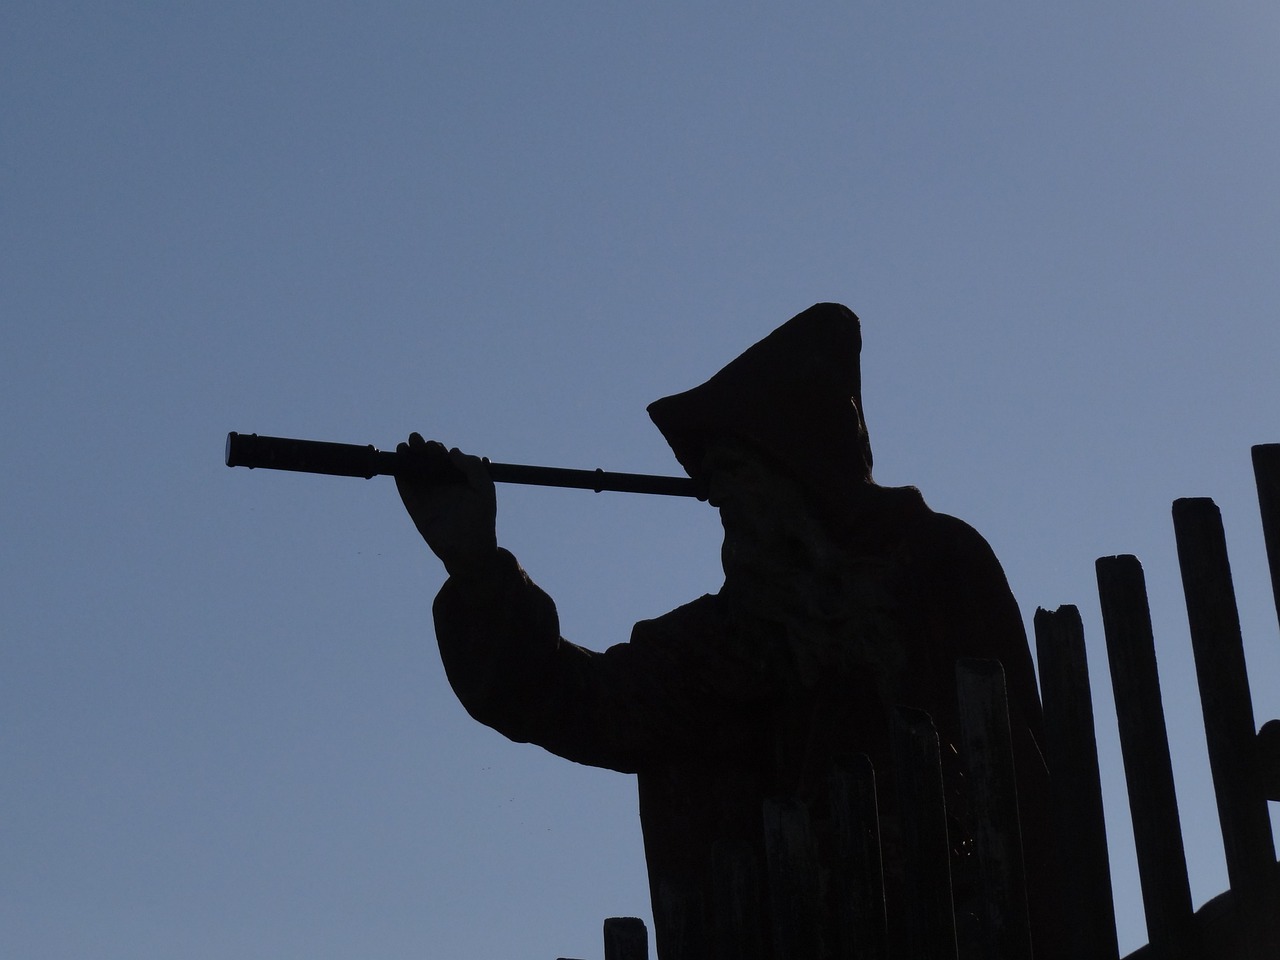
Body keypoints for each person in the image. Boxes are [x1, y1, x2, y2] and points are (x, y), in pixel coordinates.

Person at [396, 303, 1055, 959]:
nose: (718, 500)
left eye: (735, 473)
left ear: (799, 470)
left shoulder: (938, 568)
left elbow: (1020, 782)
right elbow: (579, 701)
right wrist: (477, 565)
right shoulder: (724, 644)